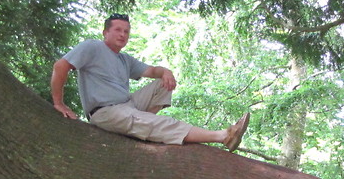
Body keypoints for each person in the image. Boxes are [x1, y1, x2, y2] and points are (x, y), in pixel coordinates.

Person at [51, 13, 250, 150]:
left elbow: (153, 71)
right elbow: (61, 66)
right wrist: (58, 103)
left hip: (128, 106)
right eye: (118, 30)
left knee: (161, 84)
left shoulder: (124, 59)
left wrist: (166, 72)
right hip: (106, 112)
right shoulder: (92, 47)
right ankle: (223, 136)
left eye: (126, 31)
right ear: (105, 33)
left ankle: (141, 128)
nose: (123, 35)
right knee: (161, 123)